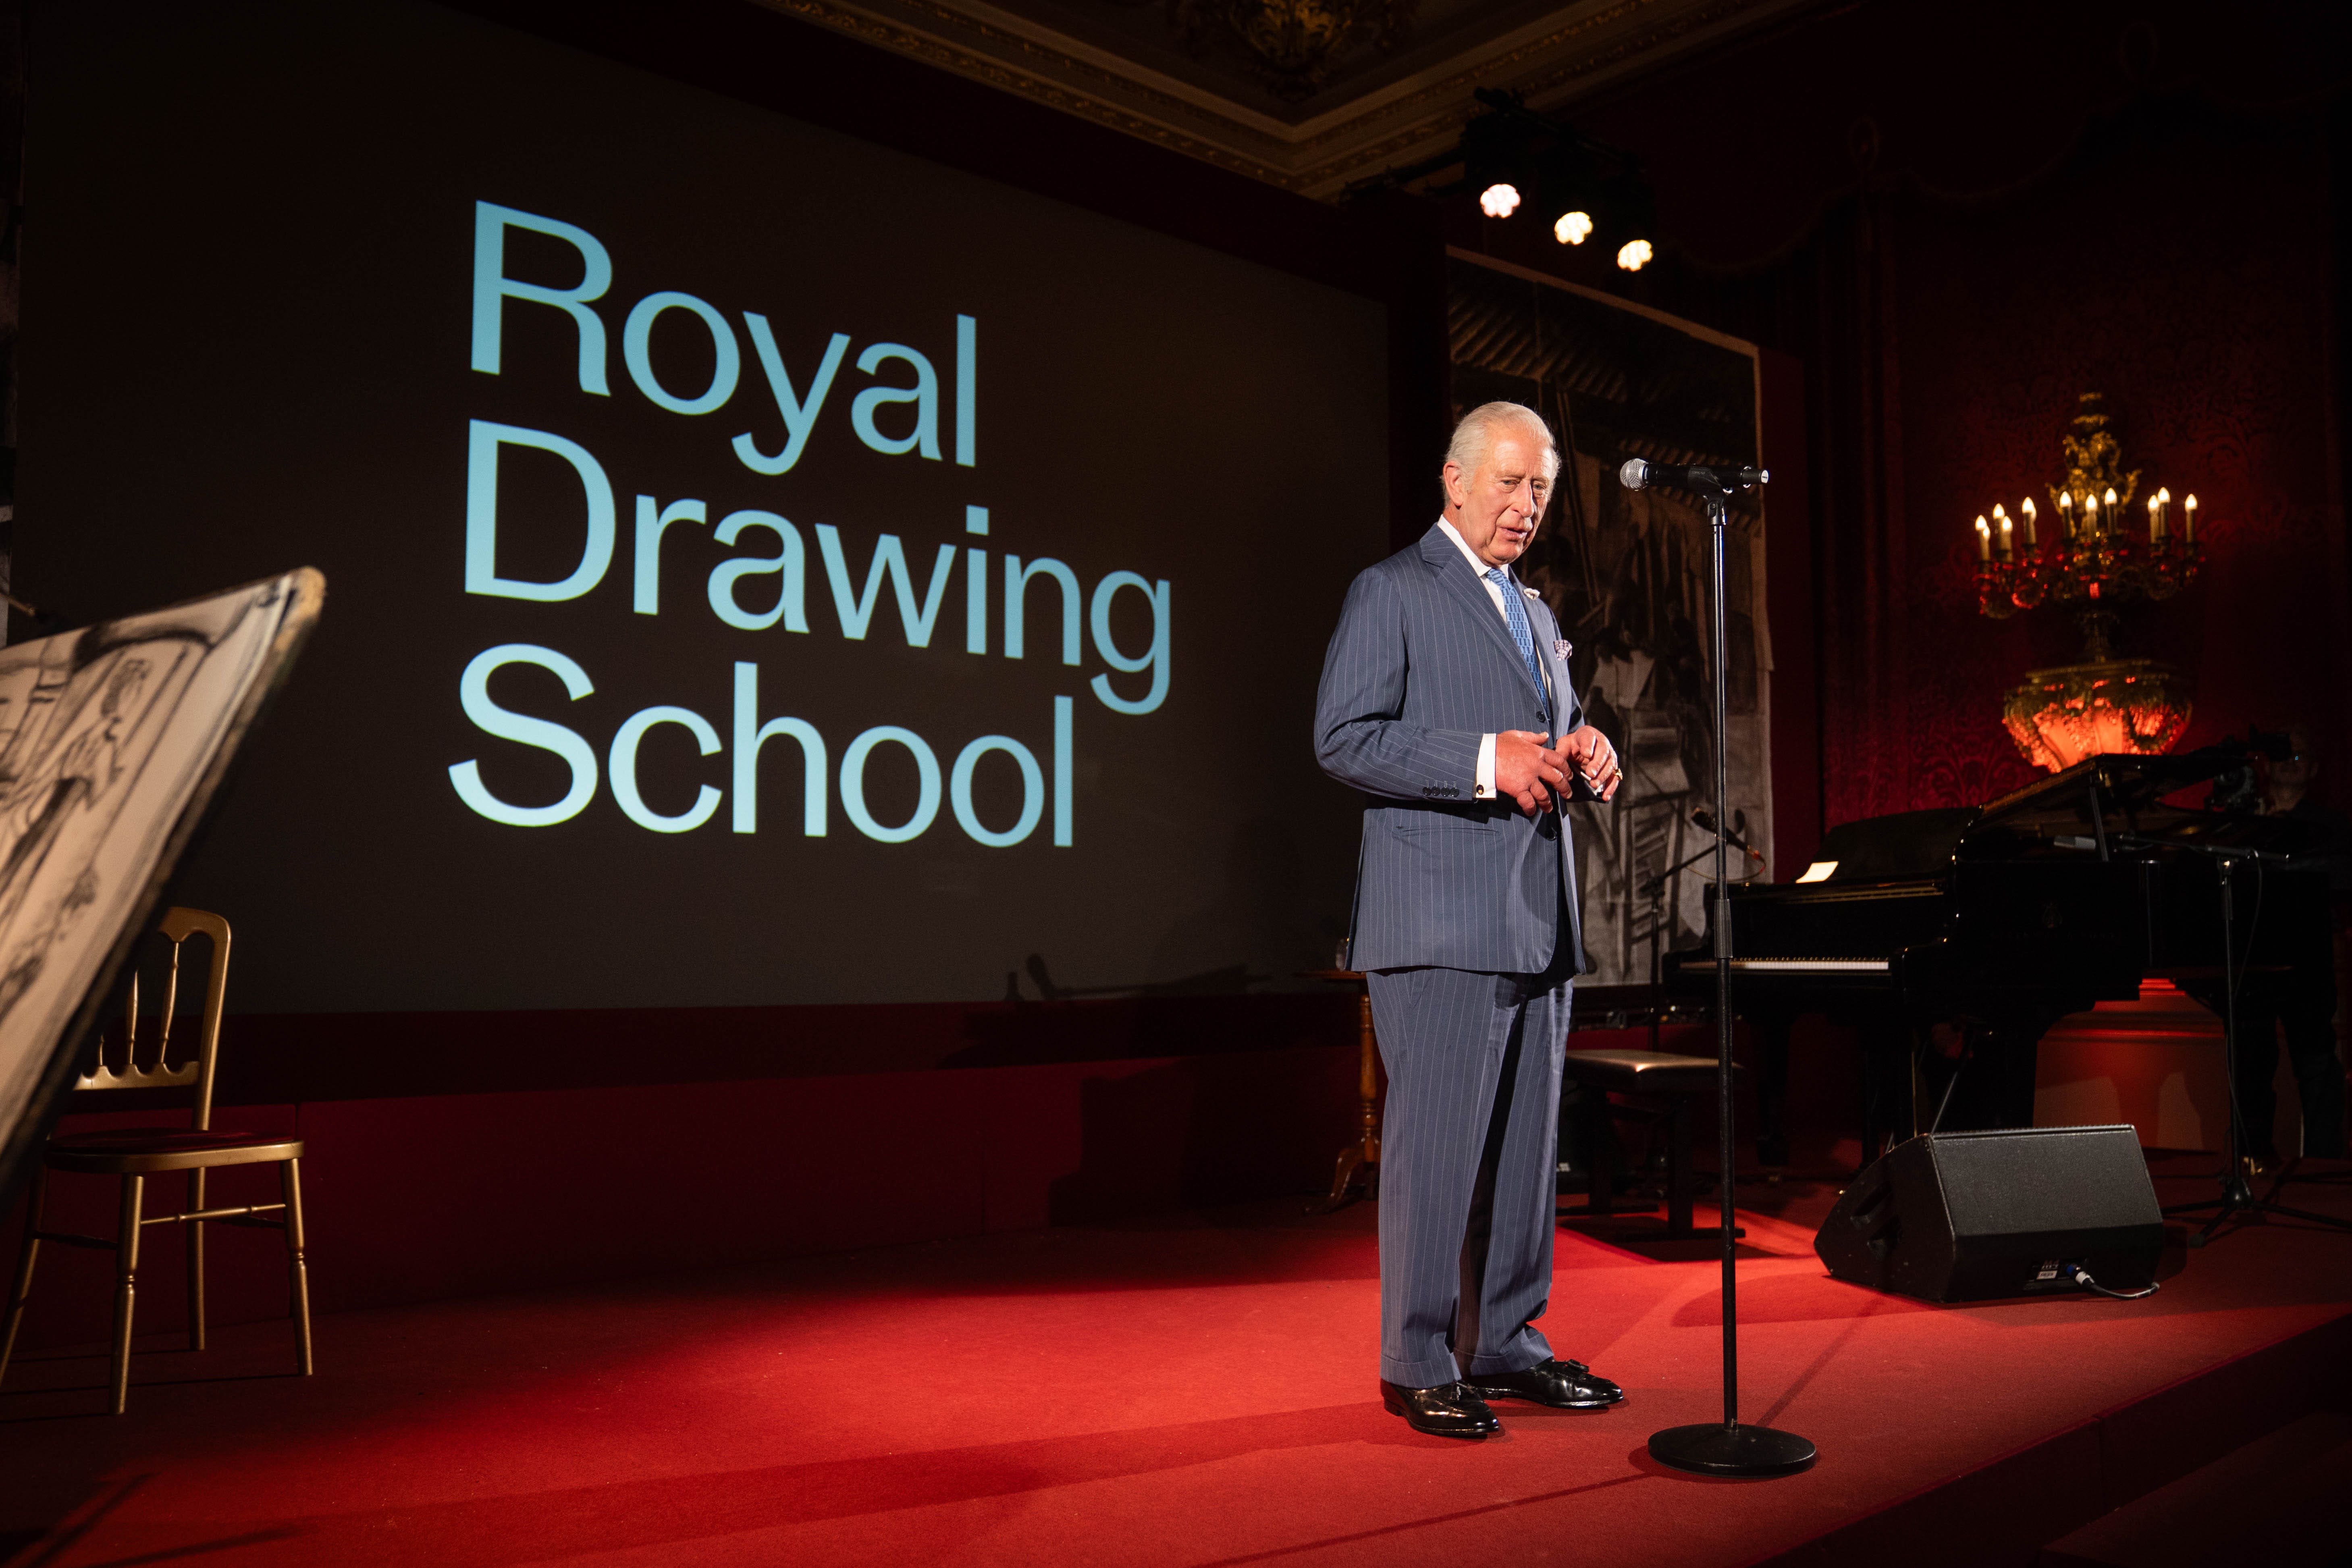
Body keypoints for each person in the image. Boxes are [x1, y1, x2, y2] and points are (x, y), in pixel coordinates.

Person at [1313, 401, 1625, 1439]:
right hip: (1440, 917)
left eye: (1538, 486)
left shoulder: (1534, 613)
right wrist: (1477, 759)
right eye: (1506, 481)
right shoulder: (1390, 589)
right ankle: (1414, 1356)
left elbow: (1538, 738)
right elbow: (1343, 737)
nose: (1525, 504)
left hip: (1536, 914)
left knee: (1525, 1155)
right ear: (1452, 481)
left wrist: (1581, 748)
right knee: (1436, 1149)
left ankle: (1504, 1339)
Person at [2236, 726, 2350, 1164]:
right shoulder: (2243, 819)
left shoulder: (2332, 827)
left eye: (2298, 756)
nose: (2288, 762)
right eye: (2280, 754)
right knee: (2249, 1063)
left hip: (2308, 958)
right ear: (2264, 764)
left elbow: (2339, 878)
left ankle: (2323, 1165)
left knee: (2317, 1063)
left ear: (2314, 770)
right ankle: (2253, 1159)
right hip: (2250, 955)